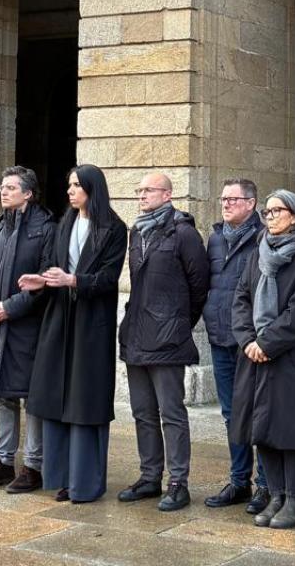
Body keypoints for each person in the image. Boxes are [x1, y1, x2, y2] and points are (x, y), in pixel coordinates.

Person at [23, 164, 127, 504]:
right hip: (60, 318)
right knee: (55, 394)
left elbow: (109, 278)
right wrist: (43, 281)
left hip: (90, 323)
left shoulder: (113, 228)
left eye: (76, 186)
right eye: (68, 185)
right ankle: (62, 477)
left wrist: (74, 281)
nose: (70, 191)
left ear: (92, 189)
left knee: (85, 400)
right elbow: (54, 265)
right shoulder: (64, 223)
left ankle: (85, 481)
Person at [230, 189, 295, 530]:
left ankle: (294, 499)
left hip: (290, 358)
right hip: (254, 356)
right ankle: (276, 496)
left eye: (277, 211)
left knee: (290, 431)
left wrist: (267, 342)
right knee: (262, 429)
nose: (270, 217)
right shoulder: (258, 253)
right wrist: (248, 341)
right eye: (267, 212)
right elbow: (240, 298)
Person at [117, 171, 209, 512]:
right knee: (143, 412)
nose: (141, 196)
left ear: (167, 195)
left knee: (172, 413)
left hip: (168, 339)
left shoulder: (183, 233)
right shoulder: (138, 231)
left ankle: (178, 482)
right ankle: (149, 477)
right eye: (138, 190)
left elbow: (199, 285)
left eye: (148, 190)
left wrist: (177, 322)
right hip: (137, 335)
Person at [0, 166, 53, 493]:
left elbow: (46, 280)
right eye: (1, 187)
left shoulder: (46, 229)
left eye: (10, 188)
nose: (3, 192)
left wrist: (10, 307)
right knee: (3, 395)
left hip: (27, 327)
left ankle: (33, 466)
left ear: (28, 193)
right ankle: (3, 462)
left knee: (30, 397)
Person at [203, 178, 268, 512]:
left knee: (258, 414)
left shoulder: (263, 239)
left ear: (251, 203)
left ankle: (265, 486)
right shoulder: (215, 239)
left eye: (233, 199)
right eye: (223, 198)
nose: (226, 204)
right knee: (231, 414)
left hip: (251, 342)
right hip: (219, 337)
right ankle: (239, 480)